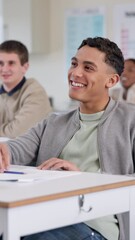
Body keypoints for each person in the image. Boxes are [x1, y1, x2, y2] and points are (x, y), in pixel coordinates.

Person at [0, 36, 134, 240]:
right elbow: (18, 148)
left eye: (88, 68)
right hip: (48, 216)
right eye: (74, 64)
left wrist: (86, 179)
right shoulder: (54, 122)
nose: (75, 73)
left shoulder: (130, 120)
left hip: (95, 227)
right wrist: (4, 151)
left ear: (112, 80)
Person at [0, 40, 52, 139]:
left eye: (11, 63)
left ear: (25, 67)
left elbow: (16, 132)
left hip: (37, 154)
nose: (5, 69)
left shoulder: (35, 92)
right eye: (1, 63)